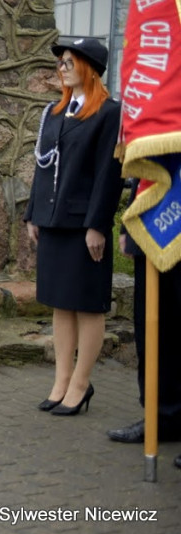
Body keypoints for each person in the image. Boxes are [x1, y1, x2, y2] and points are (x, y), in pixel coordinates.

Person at [25, 37, 123, 416]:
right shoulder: (53, 112)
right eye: (60, 61)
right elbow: (41, 165)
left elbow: (108, 173)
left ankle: (81, 385)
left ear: (90, 68)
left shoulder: (109, 112)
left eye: (69, 61)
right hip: (53, 221)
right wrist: (33, 213)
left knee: (87, 306)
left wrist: (97, 224)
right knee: (60, 305)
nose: (62, 67)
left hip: (84, 225)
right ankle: (61, 381)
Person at [107, 182, 181, 454]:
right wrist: (128, 226)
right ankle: (163, 417)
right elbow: (143, 168)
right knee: (153, 333)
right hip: (152, 228)